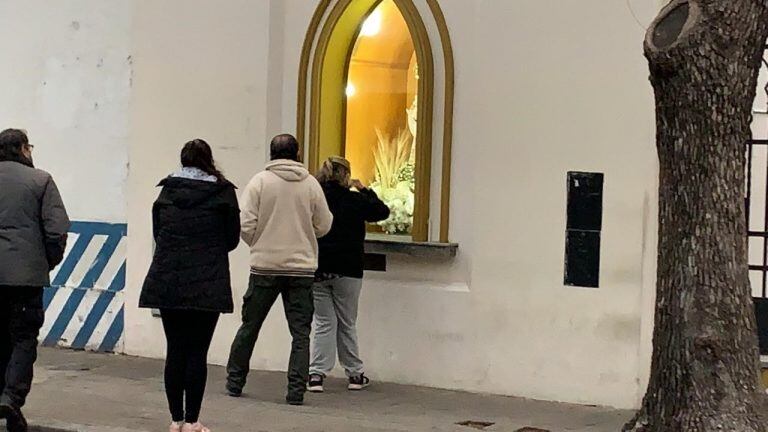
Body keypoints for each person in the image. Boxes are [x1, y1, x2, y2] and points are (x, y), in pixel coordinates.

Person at [139, 139, 240, 432]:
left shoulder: (167, 192)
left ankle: (175, 419)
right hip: (208, 282)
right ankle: (194, 421)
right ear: (209, 160)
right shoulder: (223, 194)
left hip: (169, 280)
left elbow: (158, 233)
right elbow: (232, 240)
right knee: (197, 352)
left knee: (175, 349)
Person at [225, 134, 333, 405]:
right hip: (301, 269)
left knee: (250, 325)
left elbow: (245, 225)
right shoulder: (311, 185)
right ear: (297, 153)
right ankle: (296, 390)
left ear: (271, 153)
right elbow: (325, 224)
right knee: (300, 333)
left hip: (265, 267)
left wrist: (260, 243)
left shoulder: (259, 182)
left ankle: (235, 381)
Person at [0, 129, 70, 432]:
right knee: (23, 338)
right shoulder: (40, 180)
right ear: (21, 150)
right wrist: (44, 262)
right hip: (25, 279)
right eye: (29, 146)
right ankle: (11, 398)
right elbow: (56, 230)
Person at [307, 157, 389, 393]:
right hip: (349, 269)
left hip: (319, 267)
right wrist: (364, 189)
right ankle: (354, 373)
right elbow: (382, 212)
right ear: (346, 176)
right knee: (347, 322)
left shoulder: (316, 199)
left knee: (323, 322)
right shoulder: (354, 200)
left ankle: (316, 375)